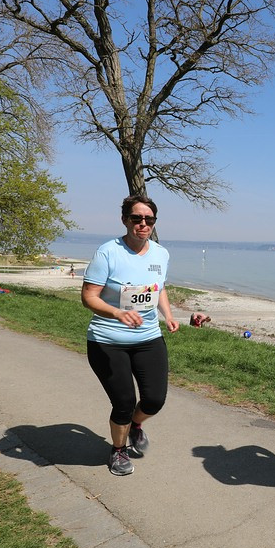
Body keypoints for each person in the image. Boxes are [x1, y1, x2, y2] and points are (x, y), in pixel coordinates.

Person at [81, 194, 209, 476]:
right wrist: (116, 313)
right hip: (107, 341)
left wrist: (169, 315)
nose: (143, 224)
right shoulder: (108, 252)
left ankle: (136, 425)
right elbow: (89, 297)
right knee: (124, 402)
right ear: (125, 219)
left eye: (149, 219)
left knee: (154, 399)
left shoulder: (160, 253)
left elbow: (158, 287)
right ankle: (118, 450)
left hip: (148, 338)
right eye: (136, 218)